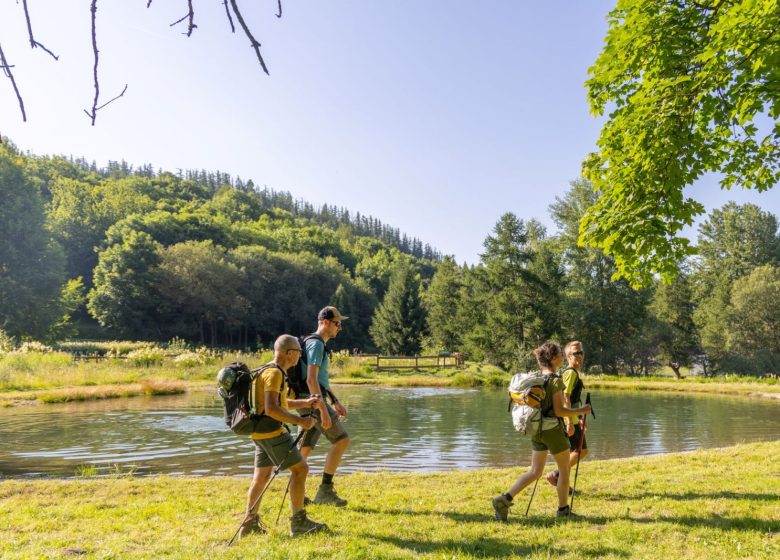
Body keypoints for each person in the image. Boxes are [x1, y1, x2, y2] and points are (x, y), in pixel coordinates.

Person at [238, 334, 326, 539]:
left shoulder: (266, 369)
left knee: (261, 477)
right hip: (272, 432)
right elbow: (271, 409)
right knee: (301, 469)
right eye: (298, 351)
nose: (300, 355)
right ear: (288, 353)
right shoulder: (275, 374)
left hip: (259, 432)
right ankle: (299, 522)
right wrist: (300, 421)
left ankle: (249, 523)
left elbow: (277, 403)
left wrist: (304, 403)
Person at [491, 341, 591, 521]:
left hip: (536, 429)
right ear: (553, 359)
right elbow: (560, 410)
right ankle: (563, 511)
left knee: (535, 471)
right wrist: (581, 411)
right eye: (560, 354)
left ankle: (504, 499)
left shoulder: (538, 378)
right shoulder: (555, 380)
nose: (562, 356)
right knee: (564, 470)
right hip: (552, 430)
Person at [298, 306, 351, 506]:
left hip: (307, 401)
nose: (340, 328)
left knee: (305, 448)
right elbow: (311, 380)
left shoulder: (315, 343)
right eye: (338, 323)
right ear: (325, 322)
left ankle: (297, 493)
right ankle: (325, 492)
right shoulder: (317, 345)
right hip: (311, 402)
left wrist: (334, 401)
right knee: (342, 441)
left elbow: (320, 381)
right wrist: (323, 410)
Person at [546, 340, 589, 490]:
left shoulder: (573, 372)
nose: (579, 356)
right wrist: (570, 422)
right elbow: (566, 397)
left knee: (577, 451)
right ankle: (556, 476)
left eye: (581, 352)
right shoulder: (570, 373)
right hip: (568, 419)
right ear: (568, 356)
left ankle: (560, 479)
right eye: (575, 353)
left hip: (573, 418)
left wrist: (580, 419)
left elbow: (573, 401)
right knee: (580, 451)